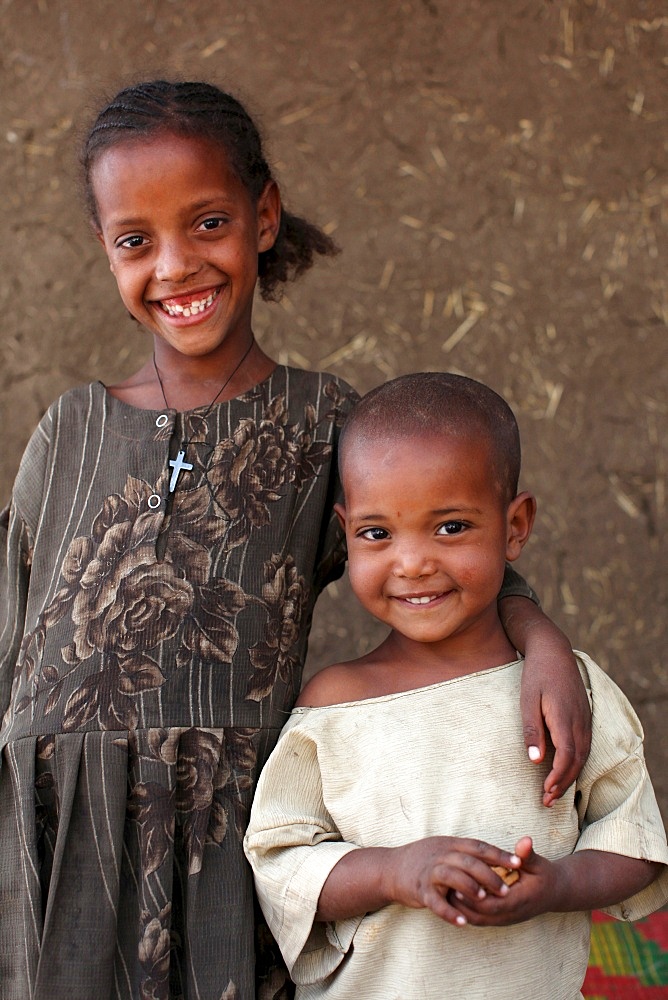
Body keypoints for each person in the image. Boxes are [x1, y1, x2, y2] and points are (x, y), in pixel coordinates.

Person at [0, 81, 589, 1000]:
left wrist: (542, 638)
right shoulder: (66, 431)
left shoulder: (323, 423)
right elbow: (14, 625)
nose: (174, 266)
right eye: (135, 241)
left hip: (218, 841)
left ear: (262, 215)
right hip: (52, 832)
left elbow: (420, 565)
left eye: (206, 224)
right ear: (105, 252)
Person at [244, 372, 668, 1000]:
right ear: (345, 530)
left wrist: (555, 885)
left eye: (450, 527)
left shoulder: (562, 687)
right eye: (377, 533)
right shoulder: (335, 703)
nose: (411, 562)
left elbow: (633, 843)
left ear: (515, 525)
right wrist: (393, 871)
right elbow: (280, 863)